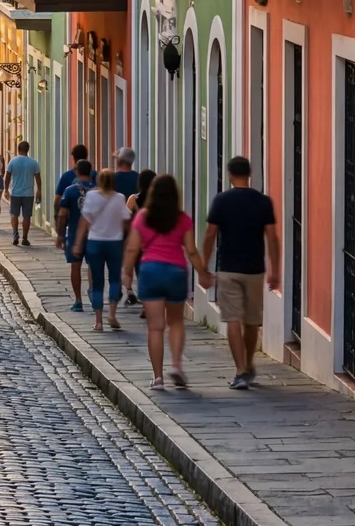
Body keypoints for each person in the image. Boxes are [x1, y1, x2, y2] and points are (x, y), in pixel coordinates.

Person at [123, 173, 208, 392]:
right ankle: (177, 365)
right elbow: (191, 251)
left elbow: (132, 249)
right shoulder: (182, 218)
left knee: (155, 327)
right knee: (176, 322)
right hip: (175, 272)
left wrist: (127, 273)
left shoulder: (142, 217)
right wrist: (203, 273)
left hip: (150, 271)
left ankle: (158, 378)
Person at [201, 156, 280, 389]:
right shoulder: (263, 202)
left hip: (228, 268)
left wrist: (204, 266)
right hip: (255, 269)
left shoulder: (221, 200)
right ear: (249, 174)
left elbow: (210, 234)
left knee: (233, 319)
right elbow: (272, 238)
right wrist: (275, 269)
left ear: (229, 174)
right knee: (252, 321)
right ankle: (248, 363)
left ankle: (240, 370)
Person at [73, 170, 131, 332]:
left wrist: (78, 243)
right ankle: (112, 314)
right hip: (114, 243)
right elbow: (126, 221)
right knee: (114, 279)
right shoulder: (119, 198)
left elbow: (84, 221)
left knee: (97, 282)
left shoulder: (91, 196)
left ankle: (98, 322)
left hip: (95, 243)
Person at [56, 157, 97, 310]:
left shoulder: (70, 190)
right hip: (94, 234)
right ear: (90, 172)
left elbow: (62, 214)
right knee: (93, 266)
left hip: (74, 233)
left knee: (75, 266)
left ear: (77, 172)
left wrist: (60, 234)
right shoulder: (98, 191)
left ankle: (78, 301)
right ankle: (93, 292)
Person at [3, 140, 41, 247]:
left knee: (14, 214)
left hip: (15, 193)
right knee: (26, 216)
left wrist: (6, 189)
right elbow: (38, 179)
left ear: (18, 150)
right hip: (29, 194)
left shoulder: (13, 161)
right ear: (27, 150)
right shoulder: (34, 163)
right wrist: (39, 191)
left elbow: (7, 177)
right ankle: (25, 238)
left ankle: (15, 233)